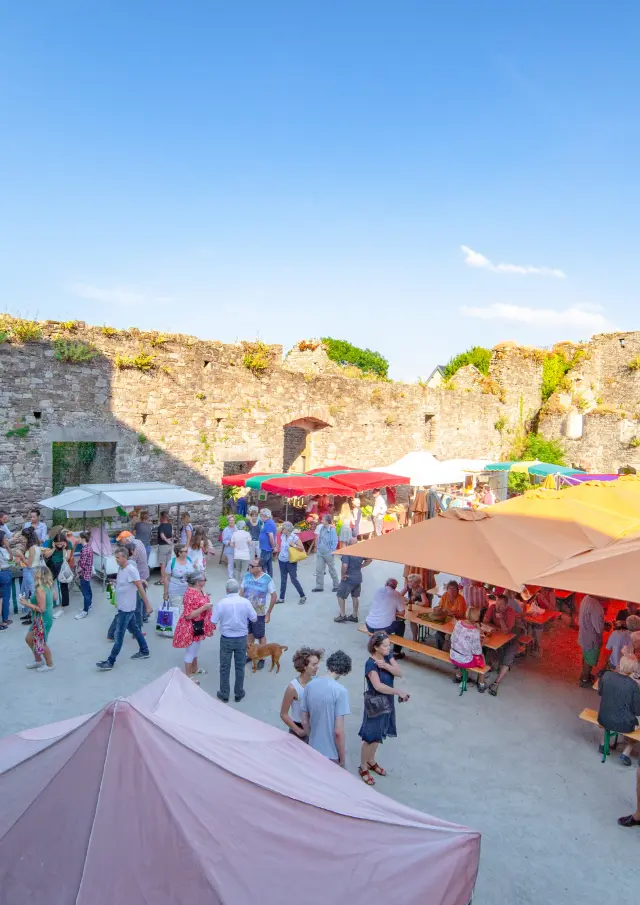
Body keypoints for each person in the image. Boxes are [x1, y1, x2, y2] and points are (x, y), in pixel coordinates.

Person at [358, 632, 409, 785]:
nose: (389, 647)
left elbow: (400, 673)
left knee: (379, 733)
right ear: (376, 647)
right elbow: (378, 686)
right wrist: (397, 691)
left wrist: (386, 665)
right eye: (386, 645)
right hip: (376, 703)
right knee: (370, 736)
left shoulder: (387, 656)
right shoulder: (370, 664)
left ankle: (371, 760)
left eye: (389, 644)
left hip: (387, 701)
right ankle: (363, 766)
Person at [96, 547, 152, 670]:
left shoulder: (131, 570)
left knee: (119, 636)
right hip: (123, 607)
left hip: (127, 609)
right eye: (115, 557)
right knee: (136, 630)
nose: (116, 559)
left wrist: (147, 605)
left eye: (118, 557)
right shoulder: (121, 569)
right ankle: (144, 650)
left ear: (125, 558)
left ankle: (110, 661)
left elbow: (140, 588)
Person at [301, 650, 352, 765]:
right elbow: (338, 731)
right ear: (343, 671)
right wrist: (342, 757)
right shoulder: (340, 691)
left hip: (313, 748)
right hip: (331, 753)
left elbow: (304, 721)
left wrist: (312, 737)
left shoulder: (310, 685)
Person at [212, 578, 257, 703]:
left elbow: (213, 621)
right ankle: (238, 692)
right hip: (241, 638)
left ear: (227, 590)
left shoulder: (222, 603)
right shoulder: (245, 602)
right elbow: (254, 618)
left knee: (224, 666)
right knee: (239, 666)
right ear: (238, 589)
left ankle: (224, 693)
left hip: (226, 638)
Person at [172, 570, 215, 682]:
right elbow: (188, 615)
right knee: (191, 651)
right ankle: (189, 675)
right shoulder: (190, 594)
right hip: (192, 625)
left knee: (195, 648)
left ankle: (195, 668)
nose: (205, 581)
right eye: (204, 579)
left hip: (198, 624)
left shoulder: (199, 590)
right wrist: (204, 607)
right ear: (197, 582)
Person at [598, 656, 640, 768]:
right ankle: (627, 751)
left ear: (619, 664)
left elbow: (600, 693)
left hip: (603, 718)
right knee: (638, 720)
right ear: (633, 670)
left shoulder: (606, 675)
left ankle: (603, 743)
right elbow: (637, 710)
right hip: (624, 725)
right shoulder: (633, 685)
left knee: (610, 708)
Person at [279, 646, 323, 740]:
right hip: (299, 728)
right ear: (304, 666)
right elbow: (283, 714)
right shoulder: (293, 688)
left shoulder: (317, 681)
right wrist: (299, 731)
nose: (317, 667)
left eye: (317, 664)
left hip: (315, 727)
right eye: (314, 664)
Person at [240, 558, 277, 668]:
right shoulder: (246, 577)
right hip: (246, 612)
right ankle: (251, 654)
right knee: (249, 633)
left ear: (259, 568)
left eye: (252, 566)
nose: (249, 567)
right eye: (250, 565)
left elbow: (274, 596)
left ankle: (261, 657)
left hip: (259, 613)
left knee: (260, 635)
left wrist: (268, 613)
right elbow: (241, 592)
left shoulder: (267, 579)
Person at [480, 593, 518, 696]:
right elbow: (485, 621)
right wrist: (496, 628)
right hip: (497, 634)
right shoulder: (492, 607)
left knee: (508, 656)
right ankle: (488, 667)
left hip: (511, 637)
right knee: (488, 646)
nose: (498, 606)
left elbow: (506, 631)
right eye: (497, 603)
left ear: (506, 606)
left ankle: (497, 682)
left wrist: (500, 619)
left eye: (501, 605)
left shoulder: (510, 612)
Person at [21, 565, 55, 671]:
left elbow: (41, 609)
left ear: (39, 575)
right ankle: (38, 660)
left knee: (41, 642)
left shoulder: (40, 589)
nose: (33, 573)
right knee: (29, 639)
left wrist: (26, 603)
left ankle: (50, 665)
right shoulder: (48, 586)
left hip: (42, 618)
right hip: (42, 618)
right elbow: (55, 598)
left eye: (35, 572)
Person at [114, 532, 150, 630]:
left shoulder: (131, 560)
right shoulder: (137, 542)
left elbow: (128, 566)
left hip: (138, 577)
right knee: (138, 602)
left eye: (122, 541)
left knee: (137, 604)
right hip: (142, 574)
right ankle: (143, 617)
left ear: (127, 539)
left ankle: (140, 621)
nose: (122, 543)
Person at [366, 578, 407, 656]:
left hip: (369, 625)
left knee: (388, 620)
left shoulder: (378, 590)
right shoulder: (396, 594)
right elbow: (402, 613)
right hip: (382, 628)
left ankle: (378, 640)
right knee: (401, 624)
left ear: (385, 584)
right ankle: (396, 652)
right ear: (395, 587)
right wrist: (394, 611)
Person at [335, 537, 372, 623]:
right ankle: (354, 616)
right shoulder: (360, 552)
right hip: (358, 578)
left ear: (348, 544)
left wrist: (343, 575)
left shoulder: (347, 552)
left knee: (340, 595)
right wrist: (361, 566)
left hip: (349, 578)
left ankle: (342, 615)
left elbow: (344, 565)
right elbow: (369, 560)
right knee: (355, 596)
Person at [450, 607, 486, 686]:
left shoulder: (458, 623)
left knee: (462, 651)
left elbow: (453, 638)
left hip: (453, 655)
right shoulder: (475, 632)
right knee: (482, 657)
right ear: (477, 617)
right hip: (464, 660)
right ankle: (481, 683)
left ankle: (458, 676)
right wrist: (483, 642)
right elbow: (477, 652)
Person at [42, 532, 73, 617]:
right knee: (47, 585)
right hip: (51, 565)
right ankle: (46, 605)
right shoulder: (50, 542)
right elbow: (46, 555)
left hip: (62, 566)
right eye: (57, 544)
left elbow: (67, 558)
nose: (59, 545)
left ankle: (63, 608)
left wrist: (63, 548)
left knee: (64, 587)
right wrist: (53, 548)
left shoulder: (68, 543)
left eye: (61, 543)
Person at [578, 594, 605, 687]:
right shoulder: (595, 606)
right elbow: (598, 628)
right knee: (589, 660)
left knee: (586, 656)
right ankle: (585, 680)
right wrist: (604, 625)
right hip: (592, 638)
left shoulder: (586, 598)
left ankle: (585, 675)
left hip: (584, 635)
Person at [277, 522, 306, 604]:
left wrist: (294, 545)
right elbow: (277, 530)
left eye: (284, 528)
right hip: (281, 560)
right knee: (283, 579)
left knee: (293, 579)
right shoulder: (283, 535)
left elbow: (302, 548)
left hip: (290, 561)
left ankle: (302, 596)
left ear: (288, 529)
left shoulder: (295, 537)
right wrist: (281, 526)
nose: (282, 530)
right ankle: (281, 598)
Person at [435, 580, 467, 650]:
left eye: (454, 589)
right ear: (447, 589)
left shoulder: (461, 599)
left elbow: (461, 614)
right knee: (438, 634)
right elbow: (440, 607)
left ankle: (452, 650)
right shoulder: (445, 595)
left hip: (457, 622)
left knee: (454, 636)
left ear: (457, 590)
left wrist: (448, 612)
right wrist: (445, 611)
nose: (452, 591)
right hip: (446, 619)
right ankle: (439, 650)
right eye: (450, 589)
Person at [15, 526, 41, 610]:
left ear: (27, 537)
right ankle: (29, 613)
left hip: (30, 571)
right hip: (29, 571)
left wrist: (21, 555)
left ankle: (32, 613)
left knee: (31, 592)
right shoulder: (34, 546)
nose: (21, 538)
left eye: (22, 536)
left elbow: (29, 564)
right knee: (27, 591)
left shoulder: (32, 548)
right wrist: (20, 562)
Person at [163, 543, 195, 611]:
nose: (187, 552)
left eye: (187, 551)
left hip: (188, 591)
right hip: (175, 591)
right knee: (178, 611)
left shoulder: (189, 560)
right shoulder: (172, 562)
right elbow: (166, 579)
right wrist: (165, 594)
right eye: (185, 551)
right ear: (179, 553)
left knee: (188, 611)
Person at [312, 514, 340, 593]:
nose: (321, 521)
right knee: (319, 569)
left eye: (323, 520)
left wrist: (332, 551)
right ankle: (319, 586)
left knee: (331, 569)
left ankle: (336, 585)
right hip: (320, 552)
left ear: (327, 521)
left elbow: (335, 541)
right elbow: (320, 538)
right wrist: (318, 548)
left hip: (328, 552)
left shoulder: (332, 529)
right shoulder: (322, 528)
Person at [401, 573, 428, 642]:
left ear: (416, 583)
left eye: (410, 581)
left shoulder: (420, 589)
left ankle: (414, 639)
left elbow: (425, 603)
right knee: (400, 616)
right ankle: (398, 637)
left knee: (412, 621)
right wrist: (408, 600)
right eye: (409, 581)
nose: (408, 582)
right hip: (411, 606)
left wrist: (417, 603)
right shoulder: (408, 586)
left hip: (421, 609)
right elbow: (400, 595)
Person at [74, 531, 94, 619]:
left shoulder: (85, 549)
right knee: (88, 590)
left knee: (85, 592)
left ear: (83, 539)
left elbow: (82, 564)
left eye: (78, 538)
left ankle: (85, 611)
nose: (77, 539)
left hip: (84, 573)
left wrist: (77, 572)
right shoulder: (89, 547)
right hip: (88, 573)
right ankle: (89, 605)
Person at [156, 511, 173, 586]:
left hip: (163, 546)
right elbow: (171, 534)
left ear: (162, 517)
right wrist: (170, 542)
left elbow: (162, 535)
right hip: (169, 546)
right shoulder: (170, 525)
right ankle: (168, 578)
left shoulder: (161, 526)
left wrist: (166, 541)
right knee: (168, 563)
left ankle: (163, 580)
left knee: (162, 564)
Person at [258, 508, 277, 577]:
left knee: (262, 565)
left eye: (260, 515)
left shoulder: (268, 523)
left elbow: (271, 537)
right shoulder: (268, 522)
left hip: (266, 548)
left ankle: (263, 579)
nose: (260, 517)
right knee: (269, 565)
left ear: (264, 516)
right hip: (267, 548)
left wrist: (273, 547)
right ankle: (269, 579)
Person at [0, 539, 13, 630]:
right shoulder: (3, 550)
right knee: (5, 597)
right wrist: (9, 548)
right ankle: (5, 619)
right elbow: (10, 560)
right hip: (4, 574)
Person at [221, 515, 236, 579]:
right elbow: (224, 540)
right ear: (228, 521)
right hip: (229, 549)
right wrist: (230, 542)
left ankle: (235, 574)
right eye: (230, 520)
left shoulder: (236, 528)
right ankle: (231, 576)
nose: (231, 522)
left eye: (233, 520)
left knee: (236, 562)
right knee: (231, 563)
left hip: (237, 548)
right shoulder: (226, 530)